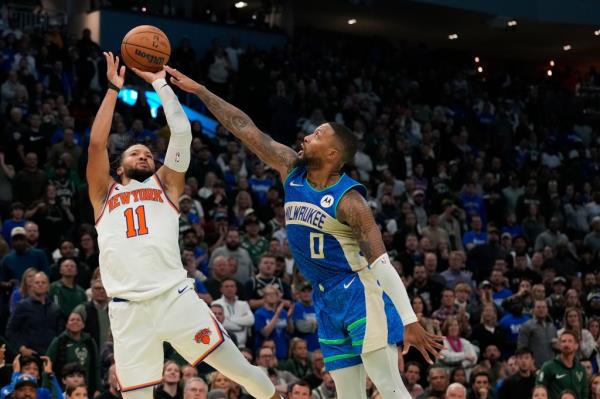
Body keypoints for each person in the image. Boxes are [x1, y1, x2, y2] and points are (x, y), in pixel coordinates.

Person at [165, 64, 442, 399]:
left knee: (388, 385)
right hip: (324, 297)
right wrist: (201, 91)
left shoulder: (350, 201)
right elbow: (245, 128)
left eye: (316, 135)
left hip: (359, 293)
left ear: (332, 153)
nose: (306, 137)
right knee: (348, 394)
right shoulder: (290, 169)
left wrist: (409, 319)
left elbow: (382, 263)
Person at [87, 54, 278, 399]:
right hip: (127, 310)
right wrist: (114, 89)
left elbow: (181, 132)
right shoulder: (104, 194)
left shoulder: (166, 186)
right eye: (135, 154)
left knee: (242, 371)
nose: (144, 156)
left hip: (174, 299)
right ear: (119, 168)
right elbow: (97, 145)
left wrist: (160, 83)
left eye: (148, 153)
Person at [7, 272, 62, 355]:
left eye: (43, 282)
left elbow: (59, 333)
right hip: (30, 357)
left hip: (51, 356)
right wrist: (21, 348)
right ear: (32, 286)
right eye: (37, 282)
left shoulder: (55, 308)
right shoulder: (23, 306)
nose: (40, 285)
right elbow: (10, 331)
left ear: (48, 286)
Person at [45, 312, 100, 395]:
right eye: (72, 320)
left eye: (78, 320)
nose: (75, 322)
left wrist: (98, 388)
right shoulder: (59, 341)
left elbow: (97, 366)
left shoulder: (90, 342)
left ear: (83, 325)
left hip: (88, 390)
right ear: (67, 324)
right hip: (63, 390)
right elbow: (48, 363)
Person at [536, 330, 587, 399]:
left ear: (576, 345)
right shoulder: (548, 367)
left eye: (570, 341)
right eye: (563, 341)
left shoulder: (581, 369)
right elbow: (538, 391)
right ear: (559, 345)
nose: (566, 344)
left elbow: (584, 394)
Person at [211, 278, 254, 348]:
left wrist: (229, 319)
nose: (229, 289)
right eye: (226, 286)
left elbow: (251, 320)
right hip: (223, 345)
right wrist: (242, 325)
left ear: (236, 289)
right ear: (221, 289)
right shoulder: (215, 304)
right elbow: (223, 324)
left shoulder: (244, 304)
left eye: (232, 286)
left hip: (242, 346)